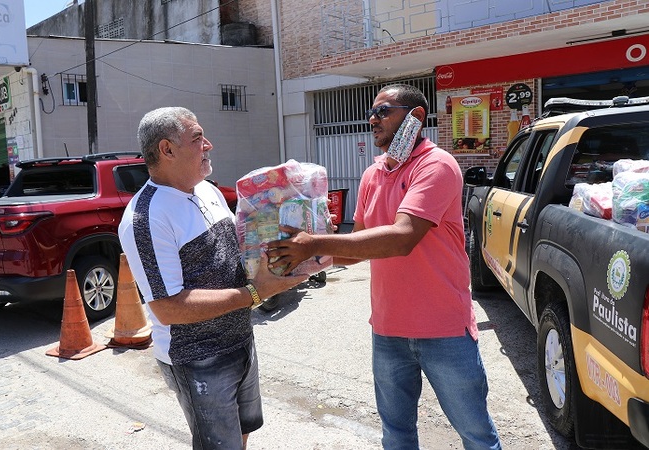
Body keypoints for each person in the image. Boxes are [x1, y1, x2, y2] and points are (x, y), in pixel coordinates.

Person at [266, 84, 502, 450]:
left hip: (444, 330)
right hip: (388, 331)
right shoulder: (372, 175)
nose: (372, 120)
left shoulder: (435, 165)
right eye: (371, 113)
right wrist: (302, 254)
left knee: (476, 436)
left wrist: (315, 244)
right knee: (396, 435)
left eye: (383, 111)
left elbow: (401, 238)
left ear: (416, 117)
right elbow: (357, 249)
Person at [118, 107, 306, 450]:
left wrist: (303, 240)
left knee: (243, 432)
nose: (209, 145)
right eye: (197, 138)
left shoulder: (207, 190)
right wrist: (256, 292)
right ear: (167, 150)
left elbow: (240, 249)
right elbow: (167, 308)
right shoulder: (146, 218)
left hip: (240, 338)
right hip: (198, 358)